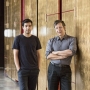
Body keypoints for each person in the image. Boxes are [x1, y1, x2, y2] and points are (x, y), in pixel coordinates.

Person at [45, 20, 77, 90]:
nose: (58, 30)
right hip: (53, 68)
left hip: (66, 69)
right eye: (56, 28)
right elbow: (48, 56)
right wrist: (62, 56)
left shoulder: (72, 39)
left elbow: (71, 52)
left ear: (64, 27)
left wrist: (55, 52)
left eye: (60, 27)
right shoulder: (51, 41)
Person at [12, 19, 42, 90]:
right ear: (23, 27)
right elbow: (15, 54)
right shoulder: (18, 38)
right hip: (23, 70)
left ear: (31, 27)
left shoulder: (35, 39)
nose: (28, 28)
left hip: (34, 70)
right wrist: (18, 69)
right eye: (26, 26)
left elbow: (39, 55)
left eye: (29, 26)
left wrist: (38, 68)